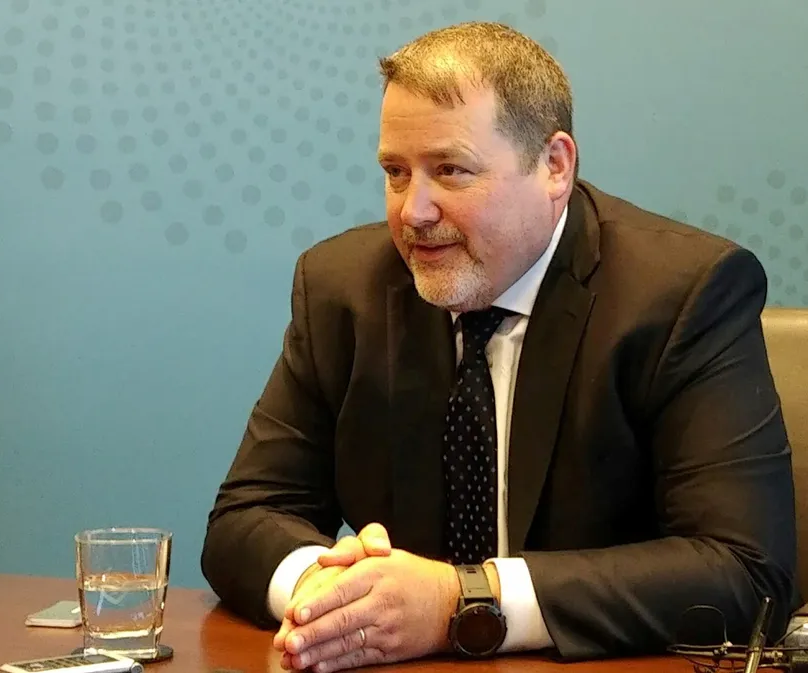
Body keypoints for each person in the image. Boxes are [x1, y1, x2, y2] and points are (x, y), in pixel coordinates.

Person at [200, 21, 798, 673]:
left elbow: (743, 572)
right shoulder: (343, 289)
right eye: (396, 172)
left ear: (554, 167)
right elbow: (246, 517)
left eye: (450, 170)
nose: (413, 211)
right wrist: (332, 591)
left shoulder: (682, 296)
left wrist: (465, 600)